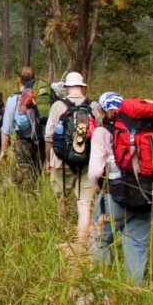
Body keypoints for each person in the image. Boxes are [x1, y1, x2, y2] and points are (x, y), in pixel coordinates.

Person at [89, 92, 153, 285]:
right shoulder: (144, 130)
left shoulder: (102, 132)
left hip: (113, 198)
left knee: (98, 239)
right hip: (145, 197)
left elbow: (94, 172)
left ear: (100, 110)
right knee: (136, 246)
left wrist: (97, 191)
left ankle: (103, 287)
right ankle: (132, 294)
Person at [43, 72, 103, 251]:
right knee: (85, 203)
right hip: (88, 162)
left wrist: (48, 160)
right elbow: (100, 134)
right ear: (82, 87)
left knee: (60, 197)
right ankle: (81, 242)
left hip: (61, 162)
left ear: (67, 87)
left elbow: (48, 137)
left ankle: (62, 233)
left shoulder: (58, 106)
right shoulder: (93, 106)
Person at [0, 66, 47, 187]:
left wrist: (3, 152)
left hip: (23, 141)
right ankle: (38, 197)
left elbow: (6, 130)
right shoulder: (41, 96)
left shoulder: (14, 99)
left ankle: (28, 201)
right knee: (38, 174)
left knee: (25, 176)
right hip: (41, 140)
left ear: (19, 79)